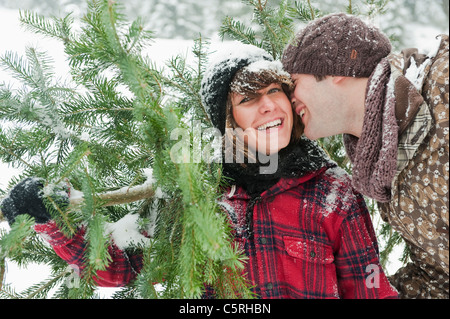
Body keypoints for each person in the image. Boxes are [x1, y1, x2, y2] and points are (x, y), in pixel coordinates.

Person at [1, 43, 398, 299]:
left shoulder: (333, 193)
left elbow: (368, 289)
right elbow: (121, 265)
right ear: (228, 121)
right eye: (248, 98)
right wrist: (51, 219)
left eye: (275, 91)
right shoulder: (196, 192)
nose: (268, 106)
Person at [282, 13, 449, 299]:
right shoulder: (381, 167)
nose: (287, 97)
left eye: (292, 82)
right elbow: (438, 277)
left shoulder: (440, 83)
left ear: (335, 68)